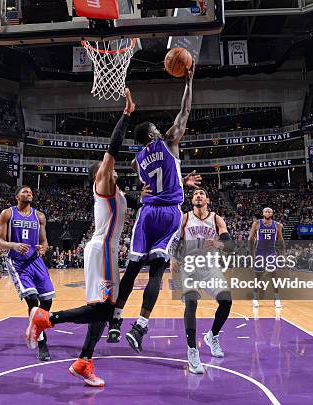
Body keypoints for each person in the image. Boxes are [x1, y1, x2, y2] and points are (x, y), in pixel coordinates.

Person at [24, 88, 135, 387]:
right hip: (102, 250)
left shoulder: (120, 193)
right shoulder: (103, 185)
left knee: (103, 310)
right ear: (98, 174)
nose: (109, 167)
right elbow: (112, 149)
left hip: (104, 251)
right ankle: (47, 319)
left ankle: (84, 360)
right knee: (103, 308)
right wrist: (126, 115)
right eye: (104, 167)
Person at [107, 62, 195, 352]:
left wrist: (175, 179)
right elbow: (184, 114)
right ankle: (140, 328)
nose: (161, 128)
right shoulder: (168, 142)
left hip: (146, 213)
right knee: (157, 271)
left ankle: (116, 322)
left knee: (131, 270)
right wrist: (189, 82)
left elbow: (135, 166)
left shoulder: (138, 159)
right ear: (152, 134)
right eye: (156, 128)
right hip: (169, 213)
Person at [173, 188, 233, 374]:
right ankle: (192, 351)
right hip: (189, 266)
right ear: (192, 200)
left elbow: (229, 246)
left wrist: (218, 244)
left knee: (226, 301)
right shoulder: (184, 218)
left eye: (202, 193)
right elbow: (175, 241)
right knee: (191, 302)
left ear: (207, 199)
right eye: (195, 194)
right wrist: (173, 258)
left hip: (209, 267)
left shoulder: (216, 219)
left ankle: (212, 336)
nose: (198, 195)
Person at [0, 185, 54, 361]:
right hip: (18, 262)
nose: (29, 194)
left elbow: (44, 242)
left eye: (30, 192)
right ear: (17, 196)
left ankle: (35, 327)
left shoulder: (40, 216)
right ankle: (42, 342)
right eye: (25, 192)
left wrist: (43, 248)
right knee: (32, 299)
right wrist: (14, 245)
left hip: (36, 260)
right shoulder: (8, 214)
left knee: (47, 300)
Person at [249, 207, 285, 308]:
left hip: (271, 252)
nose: (268, 213)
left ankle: (277, 299)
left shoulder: (277, 225)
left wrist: (282, 253)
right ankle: (255, 299)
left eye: (269, 211)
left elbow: (280, 239)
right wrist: (251, 253)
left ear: (272, 213)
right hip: (259, 252)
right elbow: (251, 239)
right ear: (263, 213)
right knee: (258, 277)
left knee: (274, 275)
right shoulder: (256, 224)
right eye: (266, 211)